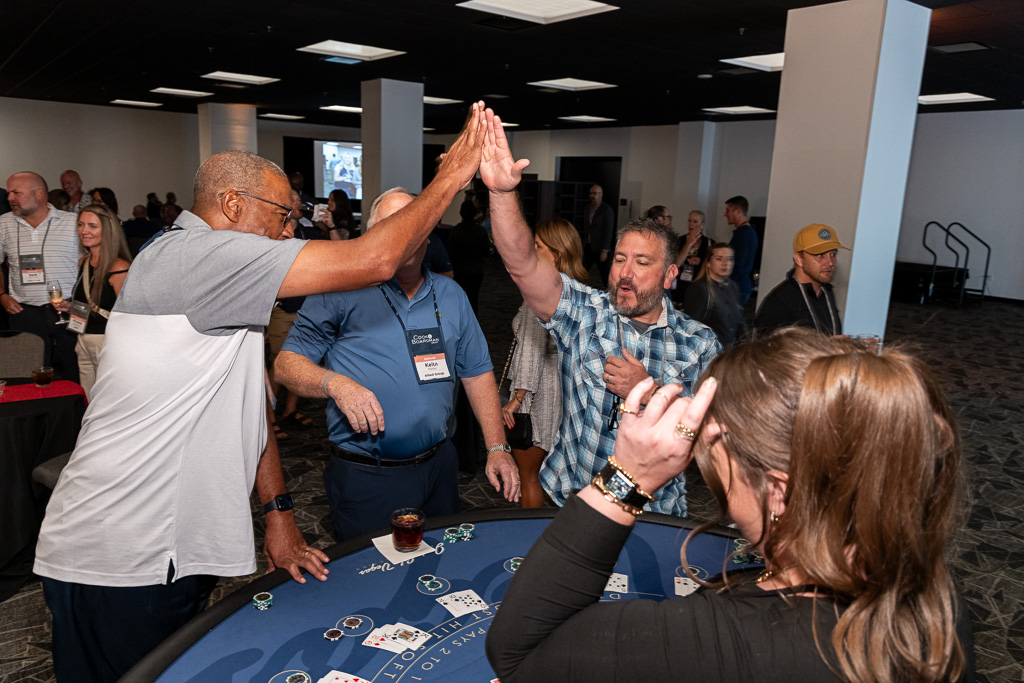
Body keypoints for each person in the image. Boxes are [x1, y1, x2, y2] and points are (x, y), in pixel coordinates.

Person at [33, 101, 489, 683]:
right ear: (232, 205)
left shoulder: (224, 288)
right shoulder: (194, 256)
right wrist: (452, 175)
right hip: (118, 552)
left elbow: (250, 404)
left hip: (172, 547)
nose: (289, 231)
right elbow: (376, 258)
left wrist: (279, 513)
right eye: (282, 216)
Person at [487, 328, 974, 682]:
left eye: (717, 457)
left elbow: (519, 653)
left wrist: (629, 475)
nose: (709, 470)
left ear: (778, 493)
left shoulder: (721, 642)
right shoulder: (940, 600)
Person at [480, 109, 718, 517]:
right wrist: (501, 194)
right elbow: (523, 265)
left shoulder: (698, 343)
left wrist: (647, 392)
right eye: (620, 259)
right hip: (572, 501)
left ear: (670, 275)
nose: (625, 272)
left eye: (642, 262)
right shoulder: (586, 313)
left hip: (653, 513)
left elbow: (710, 438)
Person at [275, 187, 520, 542]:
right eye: (392, 225)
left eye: (413, 223)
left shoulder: (451, 295)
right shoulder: (341, 289)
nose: (404, 234)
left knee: (441, 564)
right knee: (370, 572)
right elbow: (286, 364)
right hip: (368, 477)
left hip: (439, 469)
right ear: (372, 235)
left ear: (428, 233)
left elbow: (477, 371)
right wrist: (335, 384)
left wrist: (497, 447)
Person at [501, 218, 588, 508]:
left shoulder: (539, 294)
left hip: (537, 399)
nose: (532, 251)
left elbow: (530, 349)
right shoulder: (580, 293)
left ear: (557, 254)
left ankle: (531, 536)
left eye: (538, 246)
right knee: (557, 479)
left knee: (530, 478)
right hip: (568, 394)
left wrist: (518, 398)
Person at [0, 172, 80, 381]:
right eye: (8, 193)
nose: (9, 198)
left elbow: (91, 264)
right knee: (27, 376)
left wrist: (83, 304)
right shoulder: (4, 223)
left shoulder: (73, 223)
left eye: (16, 192)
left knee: (78, 372)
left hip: (69, 309)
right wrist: (1, 295)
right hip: (23, 311)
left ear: (40, 194)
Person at [50, 205, 131, 398]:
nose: (84, 231)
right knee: (88, 397)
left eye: (92, 226)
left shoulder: (119, 267)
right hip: (82, 338)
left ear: (108, 230)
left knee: (109, 398)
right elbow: (93, 304)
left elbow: (128, 315)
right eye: (81, 225)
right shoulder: (84, 262)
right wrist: (70, 307)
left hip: (107, 341)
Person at [755, 223, 849, 338]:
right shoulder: (778, 302)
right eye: (820, 255)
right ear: (799, 259)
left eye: (833, 254)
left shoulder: (826, 293)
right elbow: (767, 348)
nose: (830, 263)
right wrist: (824, 346)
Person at [682, 243, 746, 347]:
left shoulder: (733, 287)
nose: (725, 263)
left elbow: (739, 322)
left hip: (730, 351)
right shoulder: (699, 289)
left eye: (729, 259)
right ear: (708, 263)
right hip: (708, 351)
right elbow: (690, 327)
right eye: (719, 259)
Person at [447, 199, 491, 314]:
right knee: (473, 299)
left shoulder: (455, 231)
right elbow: (486, 252)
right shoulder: (481, 231)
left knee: (458, 299)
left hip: (459, 269)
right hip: (476, 270)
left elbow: (450, 251)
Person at [672, 209, 713, 303]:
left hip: (699, 286)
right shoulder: (679, 240)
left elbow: (712, 265)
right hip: (681, 286)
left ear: (702, 224)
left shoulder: (709, 243)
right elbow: (676, 263)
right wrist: (688, 244)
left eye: (695, 221)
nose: (691, 224)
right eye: (689, 221)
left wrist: (701, 262)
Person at [724, 195, 758, 306]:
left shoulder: (743, 234)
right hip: (739, 287)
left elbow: (738, 265)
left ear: (738, 211)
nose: (725, 214)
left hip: (737, 288)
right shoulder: (745, 232)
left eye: (728, 210)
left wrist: (725, 285)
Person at [582, 184, 615, 287]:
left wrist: (605, 250)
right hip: (589, 245)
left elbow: (608, 231)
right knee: (583, 269)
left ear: (601, 195)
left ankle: (610, 290)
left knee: (604, 272)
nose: (592, 196)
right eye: (591, 193)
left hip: (600, 247)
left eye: (595, 193)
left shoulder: (606, 210)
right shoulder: (587, 208)